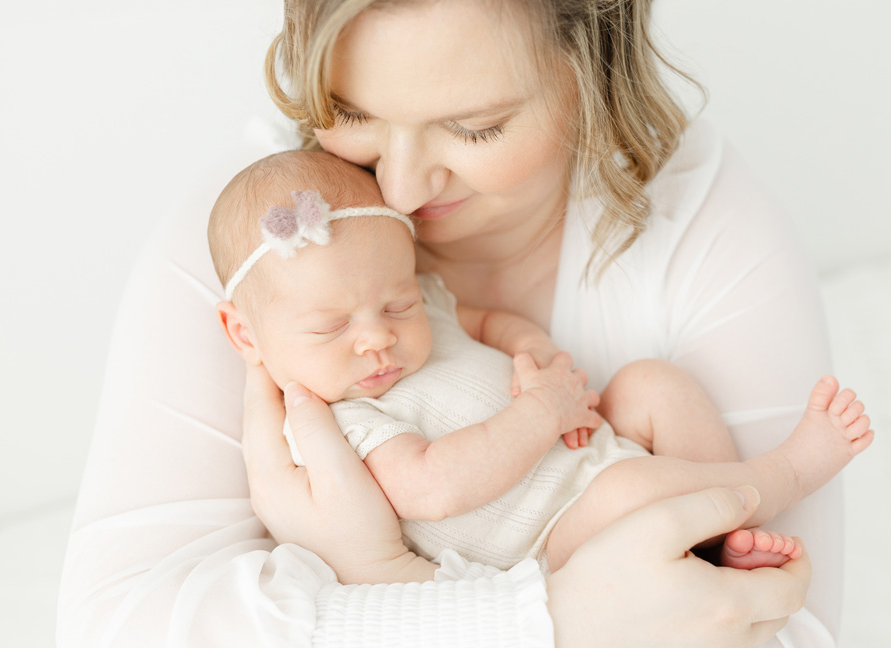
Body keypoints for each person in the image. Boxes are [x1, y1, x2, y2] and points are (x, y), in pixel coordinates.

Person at [55, 1, 836, 646]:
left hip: (592, 463)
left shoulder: (708, 231)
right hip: (559, 503)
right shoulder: (262, 246)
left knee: (657, 399)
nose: (395, 186)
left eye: (474, 127)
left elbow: (800, 629)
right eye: (350, 112)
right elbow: (109, 626)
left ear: (590, 75)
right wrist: (543, 620)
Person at [210, 149, 871, 575]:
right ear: (245, 334)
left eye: (399, 303)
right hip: (554, 538)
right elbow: (432, 487)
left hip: (583, 441)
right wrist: (538, 411)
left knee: (653, 385)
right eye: (329, 327)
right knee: (626, 492)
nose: (376, 338)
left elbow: (487, 321)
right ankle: (783, 475)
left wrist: (534, 353)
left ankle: (713, 539)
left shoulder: (416, 308)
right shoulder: (334, 418)